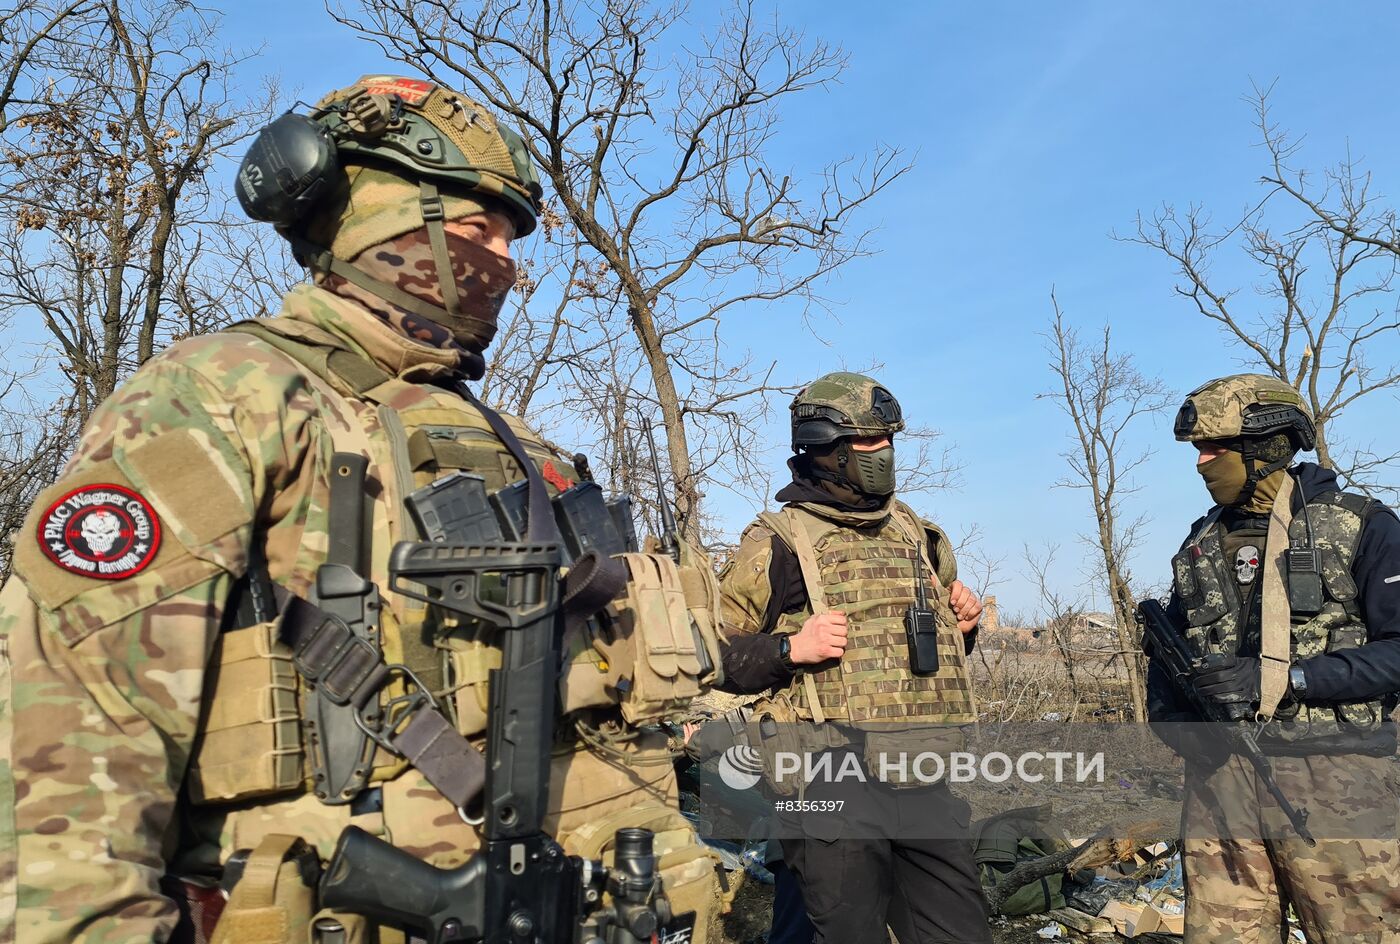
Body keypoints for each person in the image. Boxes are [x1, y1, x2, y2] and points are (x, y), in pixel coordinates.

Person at [0, 74, 720, 943]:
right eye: (476, 226)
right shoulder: (225, 395)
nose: (503, 261)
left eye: (509, 238)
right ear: (378, 214)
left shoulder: (514, 437)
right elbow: (72, 744)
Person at [716, 371, 993, 944]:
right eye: (867, 443)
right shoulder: (777, 543)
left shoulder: (917, 534)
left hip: (919, 772)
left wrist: (961, 628)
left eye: (887, 440)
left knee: (960, 932)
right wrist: (791, 648)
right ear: (827, 451)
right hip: (827, 779)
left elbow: (923, 648)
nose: (882, 454)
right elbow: (712, 654)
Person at [1150, 373, 1400, 944]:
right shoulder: (1199, 543)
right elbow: (1170, 655)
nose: (1201, 462)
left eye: (1215, 448)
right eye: (1197, 450)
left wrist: (1291, 679)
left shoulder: (1362, 526)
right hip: (1220, 782)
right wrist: (1172, 722)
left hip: (1336, 779)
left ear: (1267, 446)